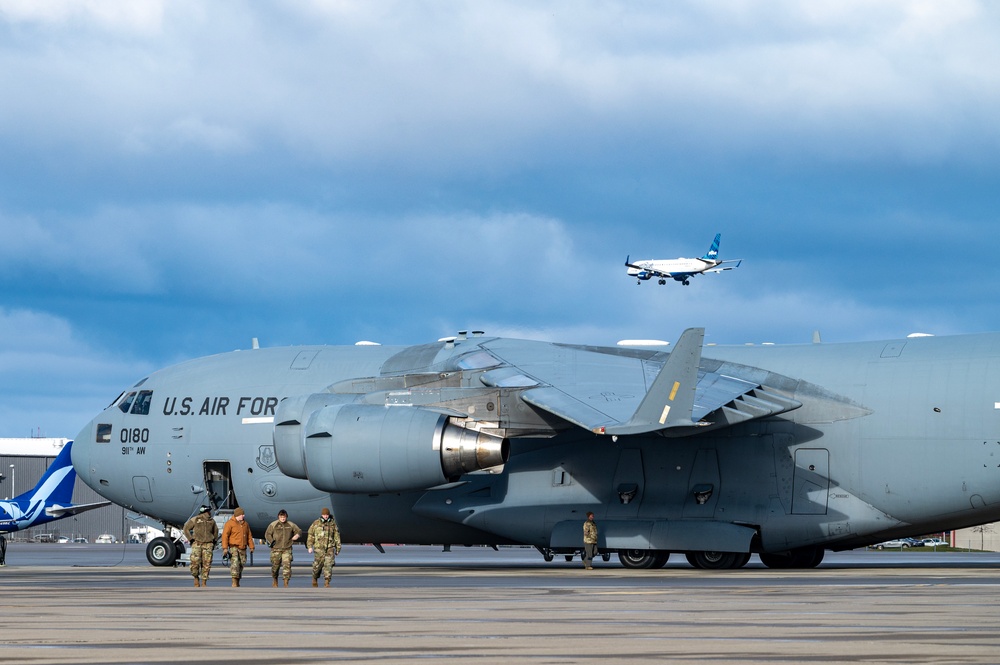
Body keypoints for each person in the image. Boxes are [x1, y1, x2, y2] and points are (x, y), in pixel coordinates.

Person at [183, 505, 218, 587]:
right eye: (208, 511)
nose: (209, 513)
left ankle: (204, 582)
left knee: (207, 564)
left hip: (208, 544)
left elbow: (215, 532)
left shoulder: (212, 521)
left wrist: (214, 541)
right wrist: (190, 539)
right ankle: (196, 577)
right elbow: (186, 528)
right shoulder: (195, 519)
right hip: (197, 543)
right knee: (195, 563)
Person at [264, 509, 301, 587]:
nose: (283, 518)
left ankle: (286, 582)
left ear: (286, 517)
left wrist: (297, 535)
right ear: (278, 517)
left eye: (284, 517)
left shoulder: (290, 524)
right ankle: (275, 579)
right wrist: (271, 541)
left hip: (287, 549)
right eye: (281, 517)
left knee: (287, 566)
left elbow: (299, 531)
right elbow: (267, 534)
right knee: (275, 567)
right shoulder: (273, 524)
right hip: (276, 549)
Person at [307, 507, 341, 587]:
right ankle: (315, 578)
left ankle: (327, 582)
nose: (326, 516)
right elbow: (310, 535)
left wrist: (338, 548)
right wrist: (310, 546)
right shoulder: (316, 523)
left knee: (328, 565)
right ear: (322, 515)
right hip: (319, 548)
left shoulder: (333, 524)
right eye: (324, 515)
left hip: (329, 547)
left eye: (327, 515)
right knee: (317, 565)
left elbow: (337, 536)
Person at [221, 507, 254, 587]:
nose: (243, 516)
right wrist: (225, 548)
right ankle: (234, 582)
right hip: (234, 547)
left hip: (243, 548)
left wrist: (251, 546)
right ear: (237, 515)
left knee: (241, 564)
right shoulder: (229, 524)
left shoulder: (245, 524)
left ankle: (238, 580)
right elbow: (225, 536)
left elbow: (249, 536)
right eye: (242, 514)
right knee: (235, 564)